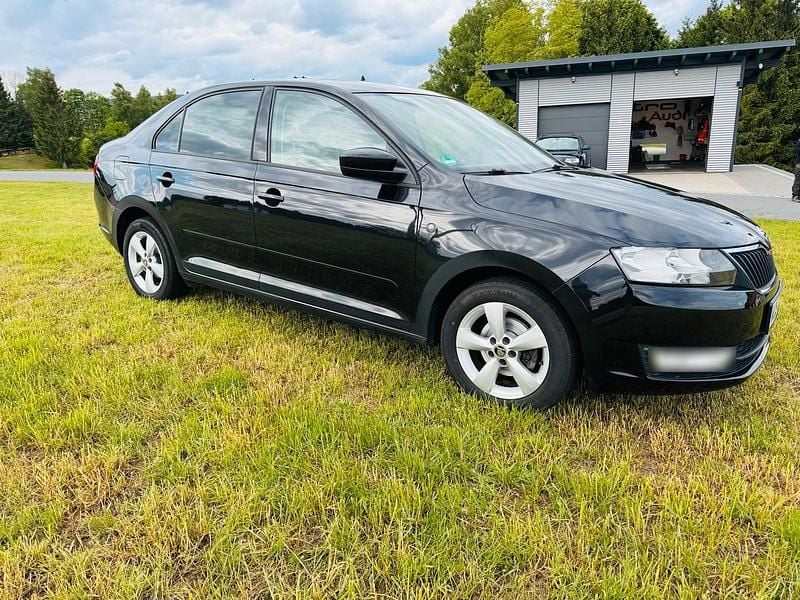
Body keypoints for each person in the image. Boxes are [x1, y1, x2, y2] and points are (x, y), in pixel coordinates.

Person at [794, 137, 800, 202]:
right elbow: (797, 151)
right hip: (799, 163)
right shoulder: (799, 141)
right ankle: (795, 195)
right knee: (798, 180)